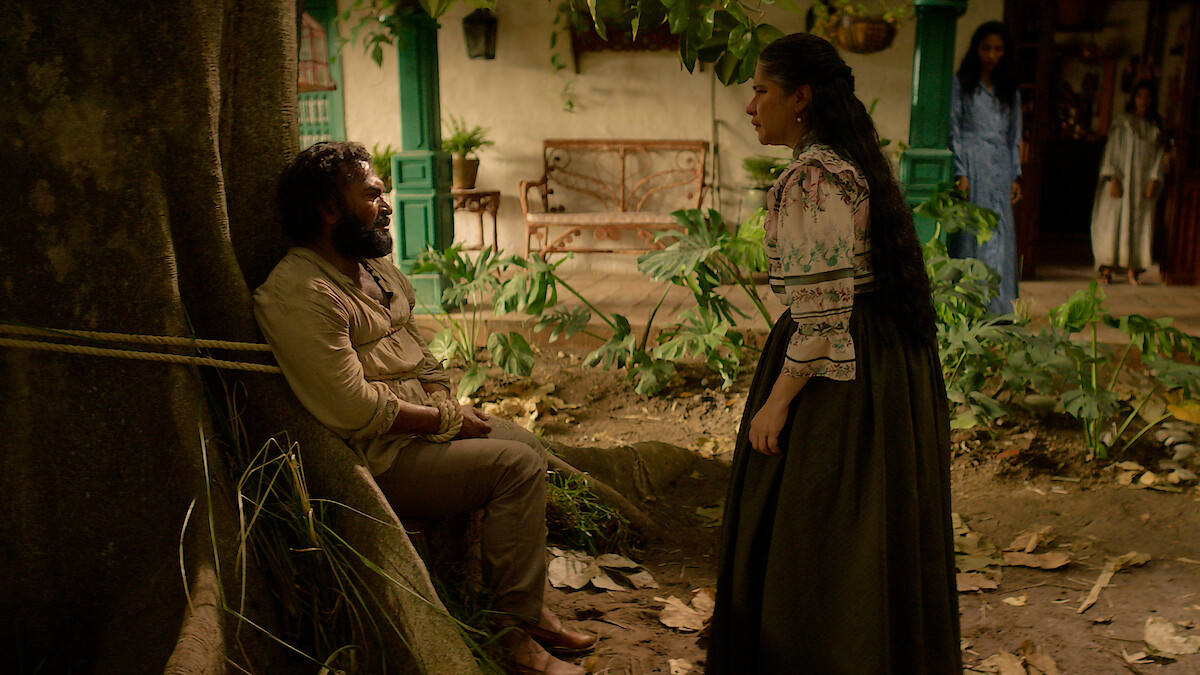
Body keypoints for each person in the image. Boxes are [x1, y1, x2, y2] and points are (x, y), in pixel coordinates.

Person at [253, 141, 592, 675]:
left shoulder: (379, 273)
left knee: (527, 443)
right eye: (372, 195)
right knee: (516, 466)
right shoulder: (301, 291)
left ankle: (526, 608)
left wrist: (443, 403)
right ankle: (512, 637)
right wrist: (445, 422)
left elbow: (423, 355)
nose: (387, 205)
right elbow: (351, 407)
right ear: (328, 209)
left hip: (425, 429)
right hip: (382, 454)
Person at [706, 34, 961, 674]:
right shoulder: (853, 163)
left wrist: (776, 404)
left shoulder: (811, 180)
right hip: (886, 366)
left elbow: (821, 319)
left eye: (760, 90)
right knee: (874, 527)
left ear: (801, 97)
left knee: (813, 530)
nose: (750, 105)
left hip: (839, 375)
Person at [948, 20, 1023, 315]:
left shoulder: (1009, 89)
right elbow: (953, 128)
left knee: (999, 232)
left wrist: (1015, 174)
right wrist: (960, 171)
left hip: (1000, 166)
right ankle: (969, 303)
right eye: (986, 48)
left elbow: (1014, 134)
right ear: (976, 49)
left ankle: (997, 306)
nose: (992, 55)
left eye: (998, 49)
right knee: (971, 232)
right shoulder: (962, 83)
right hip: (972, 162)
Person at [1091, 79, 1166, 285]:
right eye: (1140, 96)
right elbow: (1112, 151)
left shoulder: (1154, 127)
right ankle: (1106, 268)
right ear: (1133, 98)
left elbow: (1159, 157)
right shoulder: (1123, 122)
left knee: (1139, 224)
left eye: (1148, 97)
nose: (1144, 100)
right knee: (1113, 222)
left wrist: (1153, 180)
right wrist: (1113, 178)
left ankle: (1134, 270)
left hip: (1141, 184)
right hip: (1122, 181)